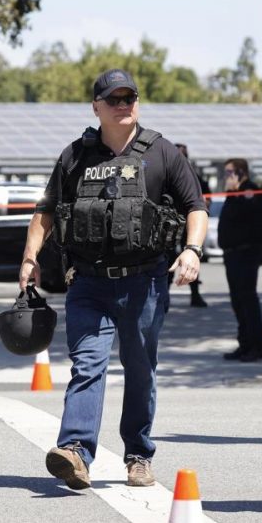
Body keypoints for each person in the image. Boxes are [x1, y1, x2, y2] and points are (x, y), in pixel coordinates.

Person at [18, 68, 207, 491]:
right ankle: (74, 452)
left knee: (140, 369)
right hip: (88, 283)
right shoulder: (74, 156)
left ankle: (138, 455)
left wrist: (192, 250)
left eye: (129, 98)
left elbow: (196, 206)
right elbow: (45, 211)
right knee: (87, 364)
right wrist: (30, 259)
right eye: (114, 99)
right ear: (96, 107)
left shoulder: (162, 152)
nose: (123, 105)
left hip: (145, 283)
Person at [218, 158, 262, 362]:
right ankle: (245, 343)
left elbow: (247, 216)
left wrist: (235, 193)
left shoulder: (249, 191)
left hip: (246, 252)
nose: (226, 177)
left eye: (229, 172)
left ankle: (258, 346)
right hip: (232, 253)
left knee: (248, 300)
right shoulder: (234, 193)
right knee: (238, 302)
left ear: (240, 172)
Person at [170, 142, 209, 308]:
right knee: (168, 258)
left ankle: (195, 294)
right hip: (170, 223)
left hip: (188, 223)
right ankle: (164, 295)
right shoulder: (167, 173)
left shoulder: (194, 177)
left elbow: (203, 202)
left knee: (191, 256)